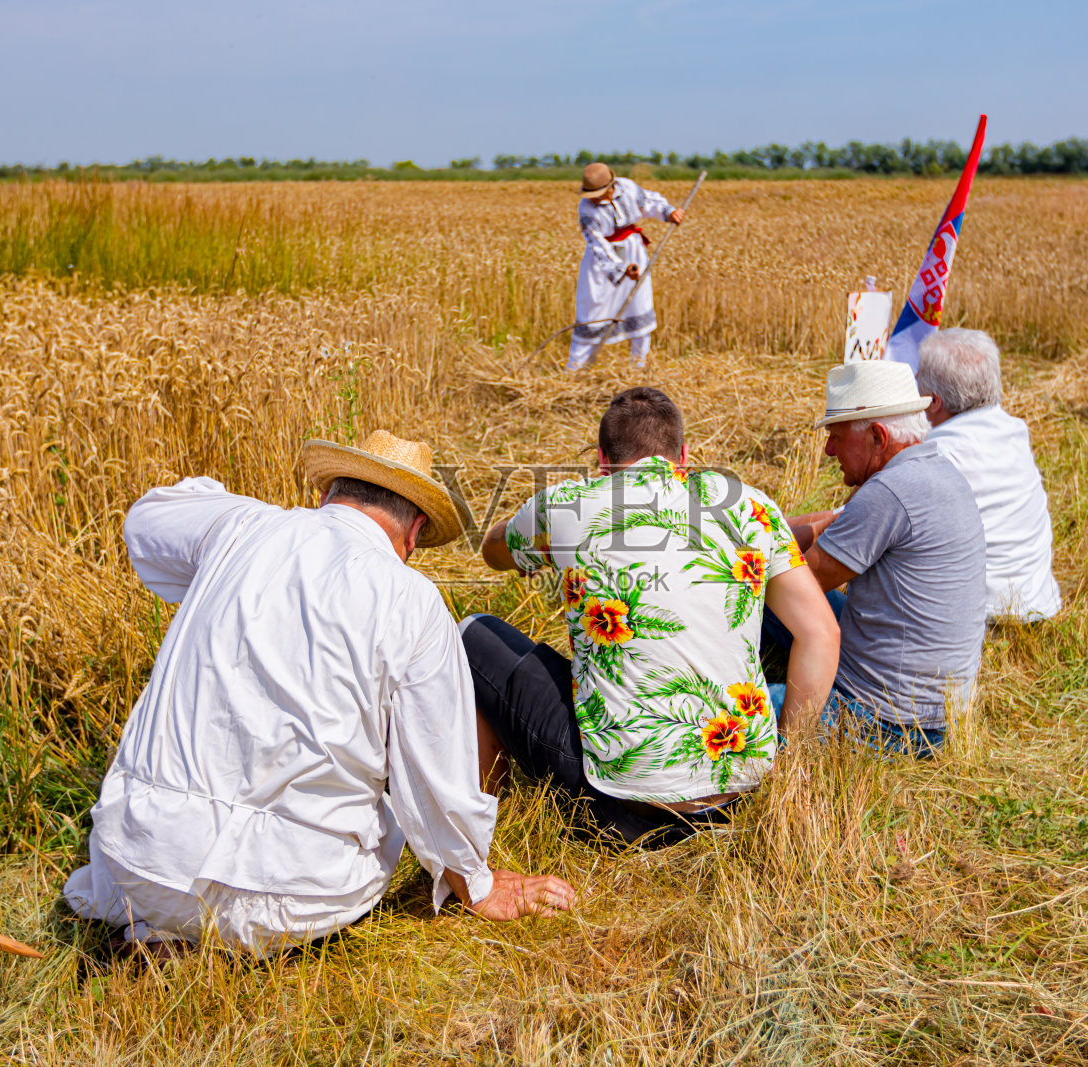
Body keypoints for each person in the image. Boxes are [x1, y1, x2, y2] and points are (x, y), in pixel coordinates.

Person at [64, 430, 574, 956]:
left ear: (326, 494)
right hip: (291, 894)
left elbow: (148, 519)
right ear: (414, 532)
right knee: (387, 809)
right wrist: (476, 882)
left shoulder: (242, 526)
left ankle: (158, 933)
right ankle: (204, 941)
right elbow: (436, 772)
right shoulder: (412, 600)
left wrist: (238, 514)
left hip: (141, 863)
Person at [464, 387, 839, 844]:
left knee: (472, 635)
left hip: (620, 811)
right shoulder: (747, 504)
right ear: (683, 455)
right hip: (741, 797)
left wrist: (529, 526)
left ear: (602, 460)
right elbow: (821, 632)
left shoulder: (567, 505)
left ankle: (483, 823)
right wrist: (787, 761)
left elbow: (493, 554)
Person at [777, 361, 986, 757]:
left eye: (837, 437)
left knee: (734, 709)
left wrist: (731, 551)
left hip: (885, 720)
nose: (829, 450)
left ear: (877, 435)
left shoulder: (887, 493)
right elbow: (836, 522)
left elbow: (798, 582)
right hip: (940, 711)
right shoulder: (934, 471)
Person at [917, 329, 1062, 622]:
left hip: (979, 617)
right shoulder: (1015, 431)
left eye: (917, 381)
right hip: (1038, 605)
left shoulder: (938, 452)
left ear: (933, 401)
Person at [568, 163, 685, 372]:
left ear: (611, 186)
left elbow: (649, 203)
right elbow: (597, 244)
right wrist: (622, 269)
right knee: (592, 313)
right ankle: (575, 370)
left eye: (598, 193)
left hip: (635, 252)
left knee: (639, 305)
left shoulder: (628, 188)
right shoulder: (586, 209)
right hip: (602, 265)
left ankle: (638, 367)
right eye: (591, 194)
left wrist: (669, 212)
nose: (594, 197)